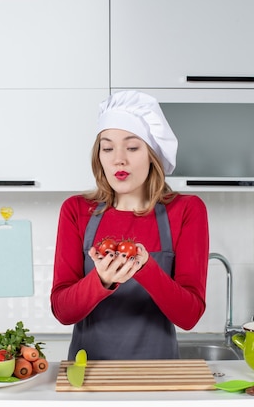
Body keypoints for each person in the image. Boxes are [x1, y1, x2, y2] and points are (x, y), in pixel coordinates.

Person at [50, 90, 209, 360]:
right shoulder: (76, 211)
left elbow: (189, 316)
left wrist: (146, 269)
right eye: (108, 147)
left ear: (152, 154)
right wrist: (100, 280)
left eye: (132, 147)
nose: (118, 159)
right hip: (88, 374)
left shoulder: (186, 210)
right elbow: (63, 312)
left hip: (158, 376)